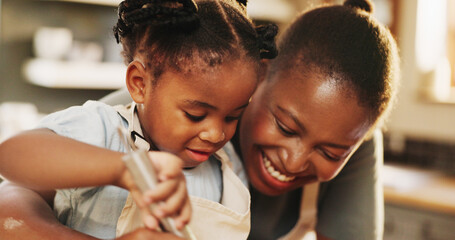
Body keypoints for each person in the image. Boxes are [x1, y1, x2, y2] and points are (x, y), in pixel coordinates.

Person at [0, 0, 398, 239]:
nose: (213, 132)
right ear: (261, 77)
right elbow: (13, 162)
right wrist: (124, 169)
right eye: (287, 126)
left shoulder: (223, 173)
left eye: (331, 150)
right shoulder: (125, 123)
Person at [0, 0, 277, 239]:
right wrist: (123, 170)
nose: (216, 134)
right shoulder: (105, 131)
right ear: (139, 84)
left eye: (232, 116)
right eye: (195, 115)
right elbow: (12, 155)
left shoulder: (227, 169)